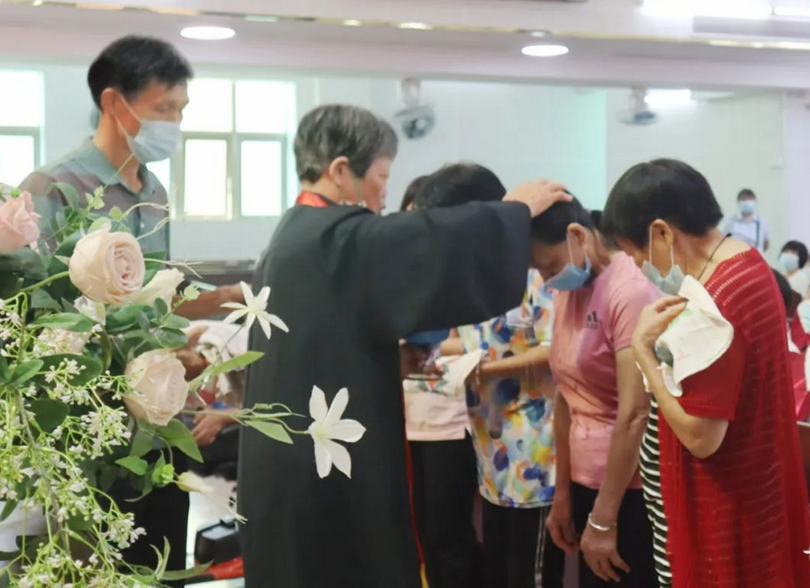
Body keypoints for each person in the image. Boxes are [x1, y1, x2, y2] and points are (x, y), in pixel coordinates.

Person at [238, 104, 571, 588]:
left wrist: (386, 359)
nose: (383, 194)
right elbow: (428, 241)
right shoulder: (335, 237)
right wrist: (512, 211)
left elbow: (327, 343)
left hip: (294, 464)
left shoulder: (297, 235)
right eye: (381, 177)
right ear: (339, 171)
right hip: (317, 471)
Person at [603, 158, 810, 588]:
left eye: (635, 252)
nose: (639, 265)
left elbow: (701, 437)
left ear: (662, 231)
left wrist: (644, 354)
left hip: (719, 511)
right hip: (749, 498)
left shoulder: (714, 301)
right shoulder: (749, 262)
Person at [415, 163, 565, 588]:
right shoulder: (477, 271)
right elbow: (477, 340)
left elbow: (555, 349)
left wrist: (486, 368)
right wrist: (418, 354)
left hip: (537, 450)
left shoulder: (536, 266)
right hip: (492, 448)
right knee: (499, 569)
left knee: (530, 574)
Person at [19, 35, 242, 320]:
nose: (175, 121)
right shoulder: (51, 187)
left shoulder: (155, 193)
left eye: (180, 109)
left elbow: (155, 295)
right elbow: (31, 304)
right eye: (163, 108)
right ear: (112, 102)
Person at [534, 198, 658, 587]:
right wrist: (564, 494)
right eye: (539, 270)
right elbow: (565, 395)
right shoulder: (567, 290)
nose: (547, 279)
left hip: (630, 491)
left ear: (577, 236)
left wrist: (604, 518)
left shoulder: (630, 291)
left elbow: (635, 413)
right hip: (587, 482)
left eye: (550, 266)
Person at [398, 175, 481, 588]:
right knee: (419, 529)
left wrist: (422, 350)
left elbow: (468, 339)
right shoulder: (401, 273)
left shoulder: (457, 272)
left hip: (448, 420)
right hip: (407, 417)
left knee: (448, 531)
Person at [722, 188, 770, 253]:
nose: (747, 202)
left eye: (750, 200)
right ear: (739, 203)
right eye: (744, 200)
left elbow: (766, 245)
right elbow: (723, 242)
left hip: (756, 260)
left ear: (754, 202)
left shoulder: (762, 222)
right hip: (737, 259)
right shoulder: (731, 222)